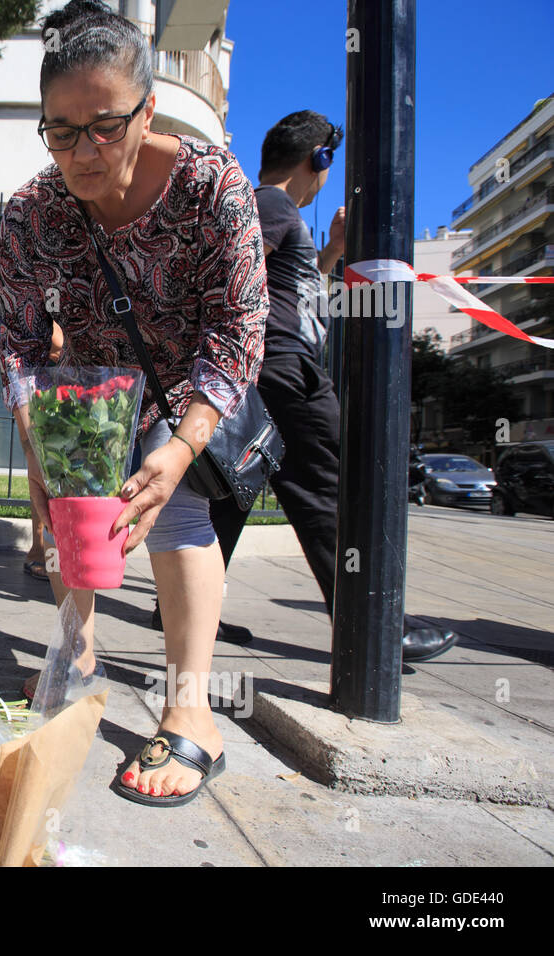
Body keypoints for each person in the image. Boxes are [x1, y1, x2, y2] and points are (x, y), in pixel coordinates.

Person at [0, 0, 268, 807]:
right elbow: (16, 340)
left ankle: (193, 709)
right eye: (60, 130)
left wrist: (183, 442)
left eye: (105, 125)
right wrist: (36, 447)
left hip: (186, 386)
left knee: (177, 512)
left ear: (146, 108)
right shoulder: (31, 211)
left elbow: (240, 322)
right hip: (86, 387)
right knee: (70, 510)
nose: (82, 152)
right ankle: (75, 662)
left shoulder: (211, 185)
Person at [203, 110, 458, 663]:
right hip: (285, 369)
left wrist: (330, 254)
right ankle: (369, 621)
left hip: (266, 367)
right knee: (328, 486)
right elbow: (236, 270)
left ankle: (188, 607)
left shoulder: (273, 209)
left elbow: (281, 288)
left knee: (232, 493)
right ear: (318, 158)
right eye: (328, 163)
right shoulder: (271, 204)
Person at [23, 321, 65, 581]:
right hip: (45, 380)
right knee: (42, 471)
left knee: (61, 472)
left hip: (72, 377)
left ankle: (52, 552)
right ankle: (42, 549)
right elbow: (56, 341)